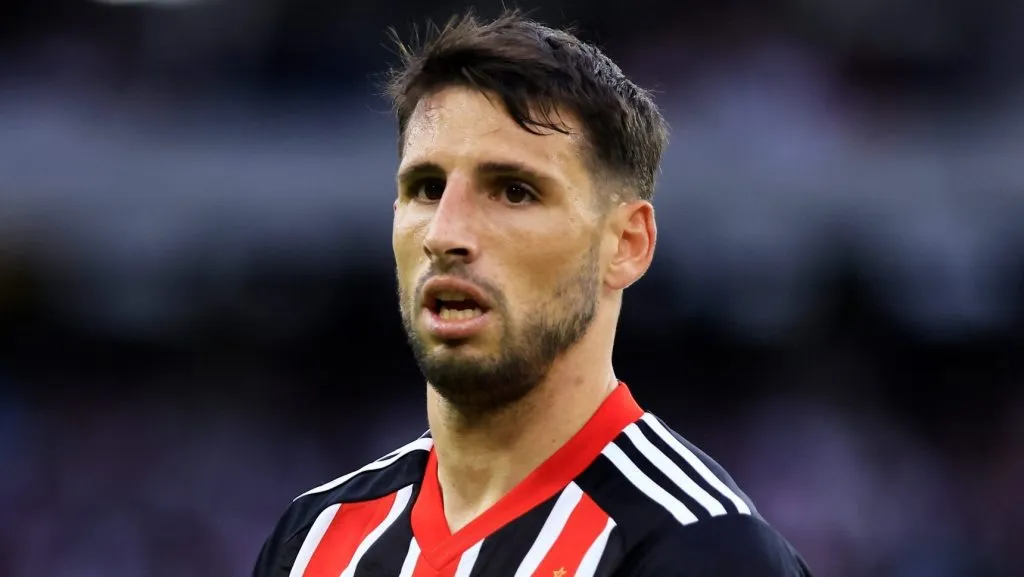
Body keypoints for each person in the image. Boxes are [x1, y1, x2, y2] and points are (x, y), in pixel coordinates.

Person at [253, 8, 813, 577]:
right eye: (426, 188)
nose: (447, 234)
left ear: (626, 244)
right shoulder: (312, 541)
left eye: (514, 192)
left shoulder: (698, 550)